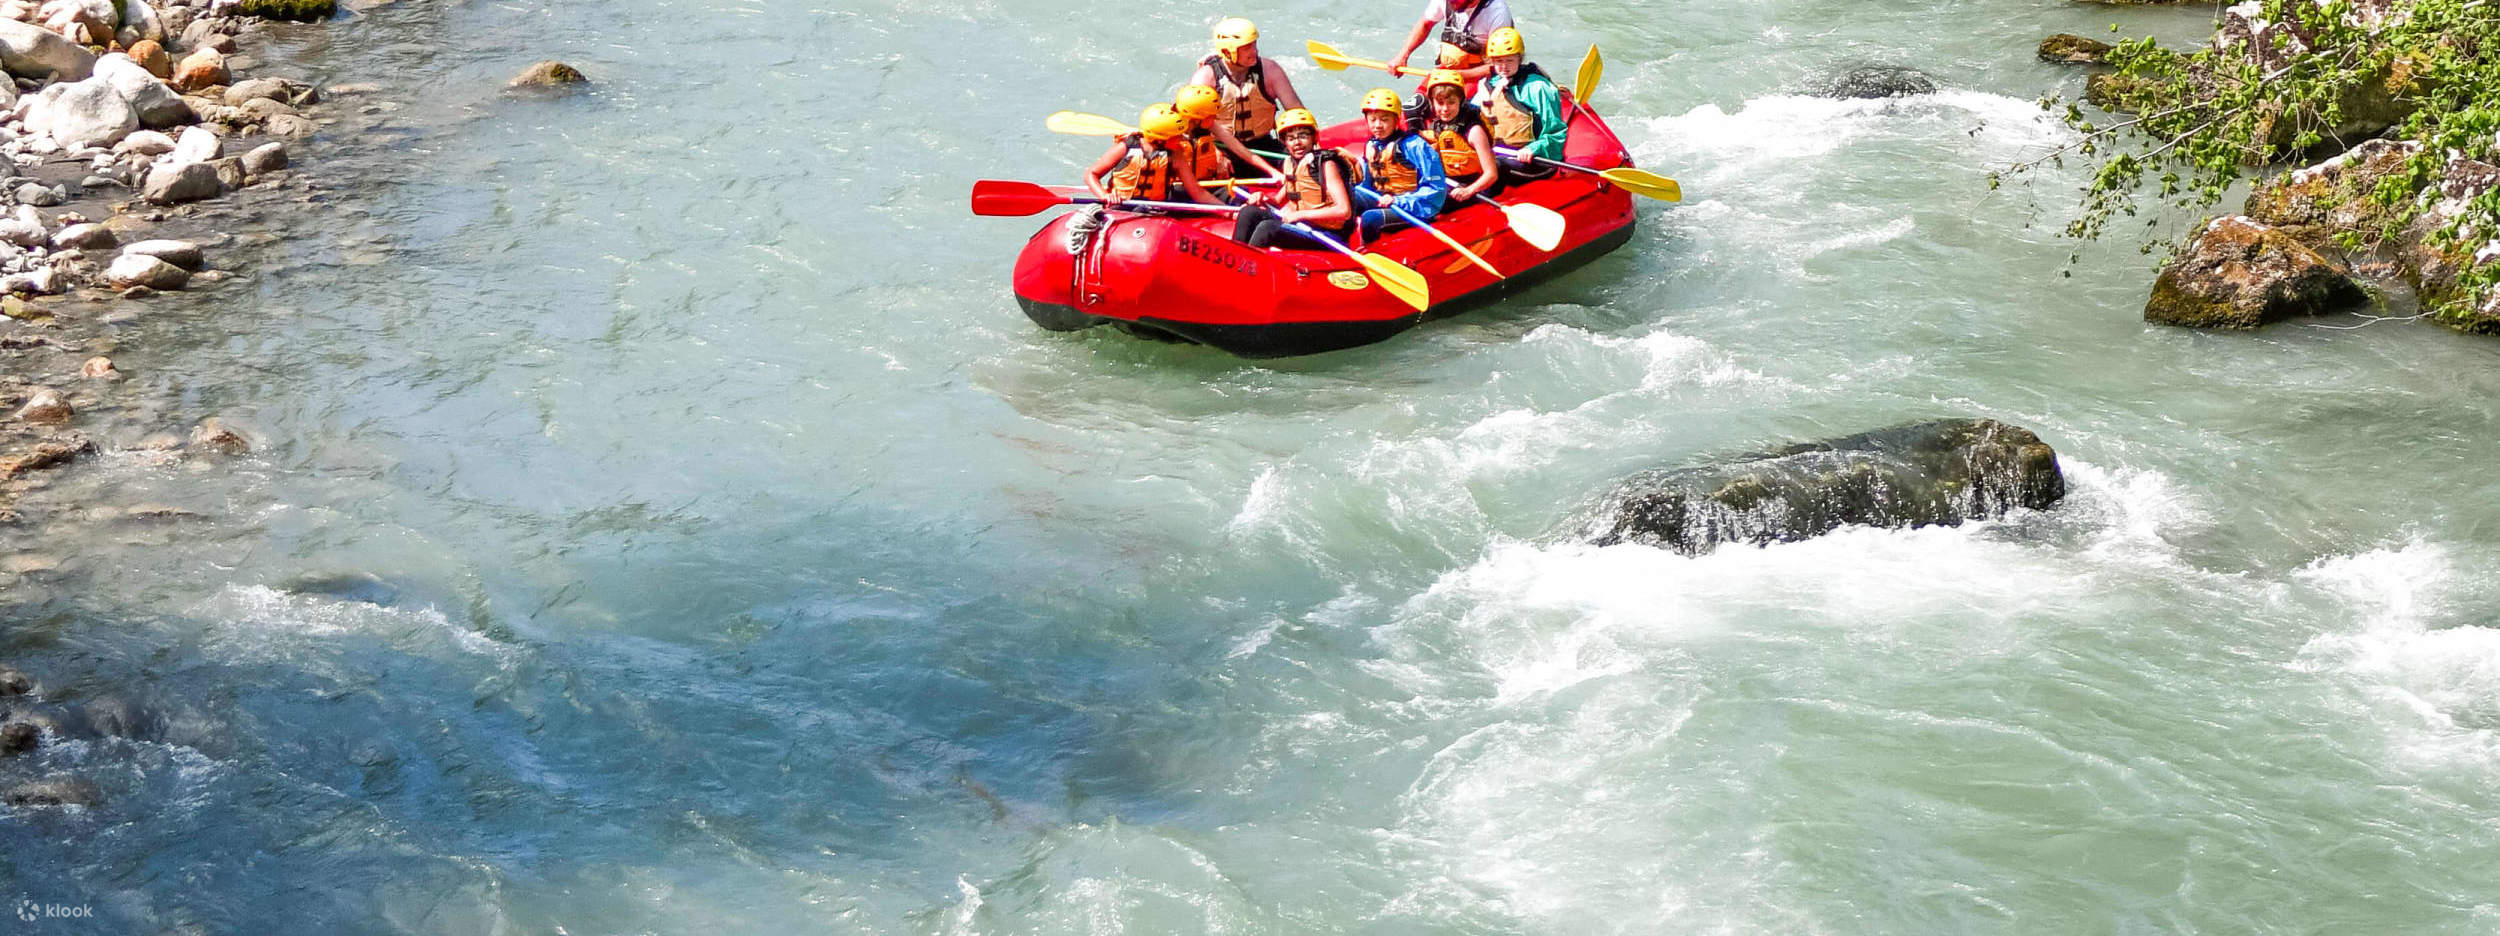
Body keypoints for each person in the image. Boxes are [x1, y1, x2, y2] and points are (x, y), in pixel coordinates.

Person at [1068, 104, 1223, 252]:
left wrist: (1224, 211)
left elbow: (1197, 192)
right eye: (1176, 136)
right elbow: (1091, 174)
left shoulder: (1176, 156)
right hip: (1121, 207)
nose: (1181, 139)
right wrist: (1105, 195)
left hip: (1156, 211)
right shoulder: (1125, 148)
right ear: (1160, 138)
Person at [1230, 108, 1355, 249]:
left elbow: (1344, 211)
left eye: (1303, 136)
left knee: (1268, 228)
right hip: (1303, 225)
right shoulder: (1290, 164)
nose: (1297, 143)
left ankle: (1248, 265)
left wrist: (1301, 215)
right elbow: (1277, 201)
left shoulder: (1326, 165)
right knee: (1249, 212)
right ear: (1284, 142)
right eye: (1291, 138)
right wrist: (1262, 197)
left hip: (1328, 235)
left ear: (1314, 137)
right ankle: (1234, 257)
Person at [1188, 17, 1305, 155]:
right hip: (1219, 149)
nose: (1254, 51)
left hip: (1263, 146)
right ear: (1227, 52)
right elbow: (1192, 128)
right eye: (1247, 48)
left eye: (1254, 44)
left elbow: (1298, 114)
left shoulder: (1271, 71)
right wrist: (1215, 154)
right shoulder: (1206, 78)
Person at [1347, 87, 1447, 242]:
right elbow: (1366, 185)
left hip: (1417, 207)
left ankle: (1372, 254)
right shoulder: (1372, 145)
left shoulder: (1415, 145)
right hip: (1383, 198)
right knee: (1348, 198)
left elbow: (1436, 191)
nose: (1378, 125)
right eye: (1373, 120)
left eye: (1384, 119)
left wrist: (1398, 201)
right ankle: (1343, 245)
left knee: (1370, 218)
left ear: (1396, 120)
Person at [1473, 26, 1566, 178]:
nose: (1504, 66)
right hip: (1498, 152)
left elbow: (1556, 133)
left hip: (1535, 160)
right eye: (1498, 61)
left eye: (1510, 60)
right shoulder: (1487, 85)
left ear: (1520, 58)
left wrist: (1533, 149)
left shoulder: (1539, 88)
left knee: (1495, 166)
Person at [1413, 69, 1499, 203]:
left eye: (1451, 102)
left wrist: (1469, 190)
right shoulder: (1437, 126)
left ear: (1461, 101)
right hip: (1451, 182)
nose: (1445, 109)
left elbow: (1491, 174)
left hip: (1474, 186)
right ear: (1432, 103)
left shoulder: (1474, 131)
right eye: (1440, 103)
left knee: (1427, 201)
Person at [1173, 83, 1282, 184]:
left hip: (1202, 183)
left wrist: (1272, 171)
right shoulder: (1168, 134)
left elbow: (1240, 149)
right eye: (1211, 115)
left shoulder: (1208, 124)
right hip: (1179, 185)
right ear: (1196, 119)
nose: (1216, 117)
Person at [1386, 0, 1513, 85]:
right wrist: (1402, 56)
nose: (1451, 3)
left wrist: (1459, 75)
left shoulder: (1498, 12)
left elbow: (1501, 66)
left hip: (1479, 78)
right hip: (1446, 72)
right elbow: (1425, 24)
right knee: (1414, 108)